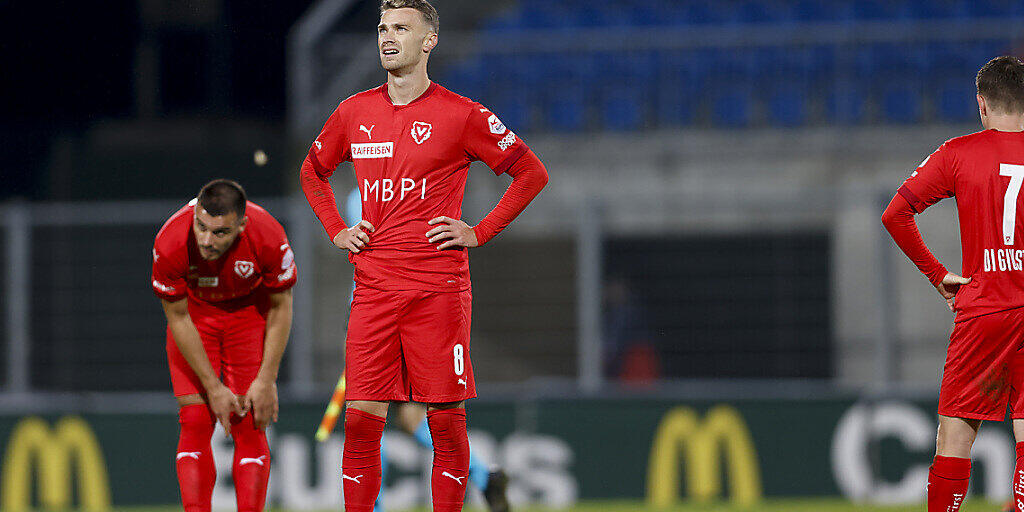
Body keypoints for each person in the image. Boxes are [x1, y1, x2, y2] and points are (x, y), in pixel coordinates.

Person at [298, 0, 549, 509]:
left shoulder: (462, 115)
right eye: (382, 28)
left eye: (401, 28)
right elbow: (312, 171)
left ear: (428, 40)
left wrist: (479, 232)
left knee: (446, 428)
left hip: (438, 291)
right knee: (361, 427)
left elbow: (531, 173)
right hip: (373, 292)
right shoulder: (354, 111)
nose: (387, 37)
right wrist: (336, 229)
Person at [880, 56, 1024, 512]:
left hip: (983, 312)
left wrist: (937, 274)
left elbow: (895, 215)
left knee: (956, 436)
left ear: (981, 104)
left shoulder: (958, 152)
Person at [338, 187, 510, 512]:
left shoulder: (361, 197)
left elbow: (372, 256)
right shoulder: (390, 190)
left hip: (379, 310)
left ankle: (377, 506)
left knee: (373, 415)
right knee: (400, 417)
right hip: (382, 307)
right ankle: (484, 474)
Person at [152, 179, 297, 512]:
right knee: (195, 419)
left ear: (241, 226)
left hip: (247, 315)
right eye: (201, 227)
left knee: (248, 422)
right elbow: (178, 318)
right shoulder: (170, 240)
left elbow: (281, 307)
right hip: (194, 317)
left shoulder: (268, 236)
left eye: (219, 233)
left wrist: (266, 379)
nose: (206, 240)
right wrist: (212, 386)